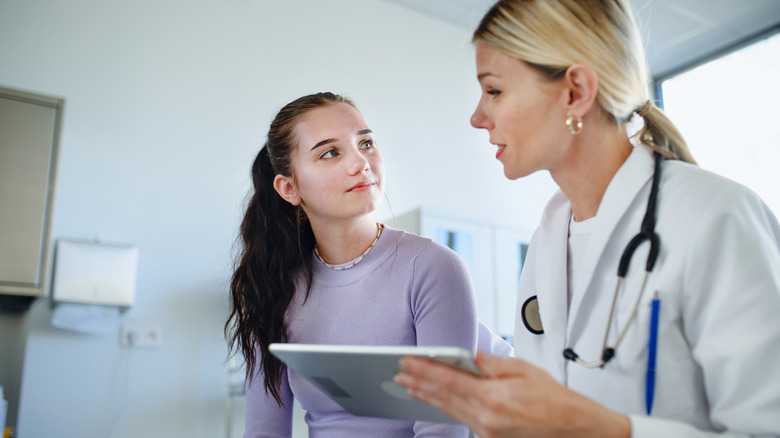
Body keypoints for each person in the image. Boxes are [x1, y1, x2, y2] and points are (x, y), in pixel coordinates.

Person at [394, 1, 780, 437]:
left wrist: (606, 429)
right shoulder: (547, 241)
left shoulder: (717, 217)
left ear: (575, 91)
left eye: (495, 91)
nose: (478, 117)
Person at [226, 92, 494, 437]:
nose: (361, 163)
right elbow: (264, 431)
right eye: (330, 152)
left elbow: (442, 429)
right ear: (289, 188)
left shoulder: (433, 268)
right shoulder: (273, 288)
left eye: (366, 143)